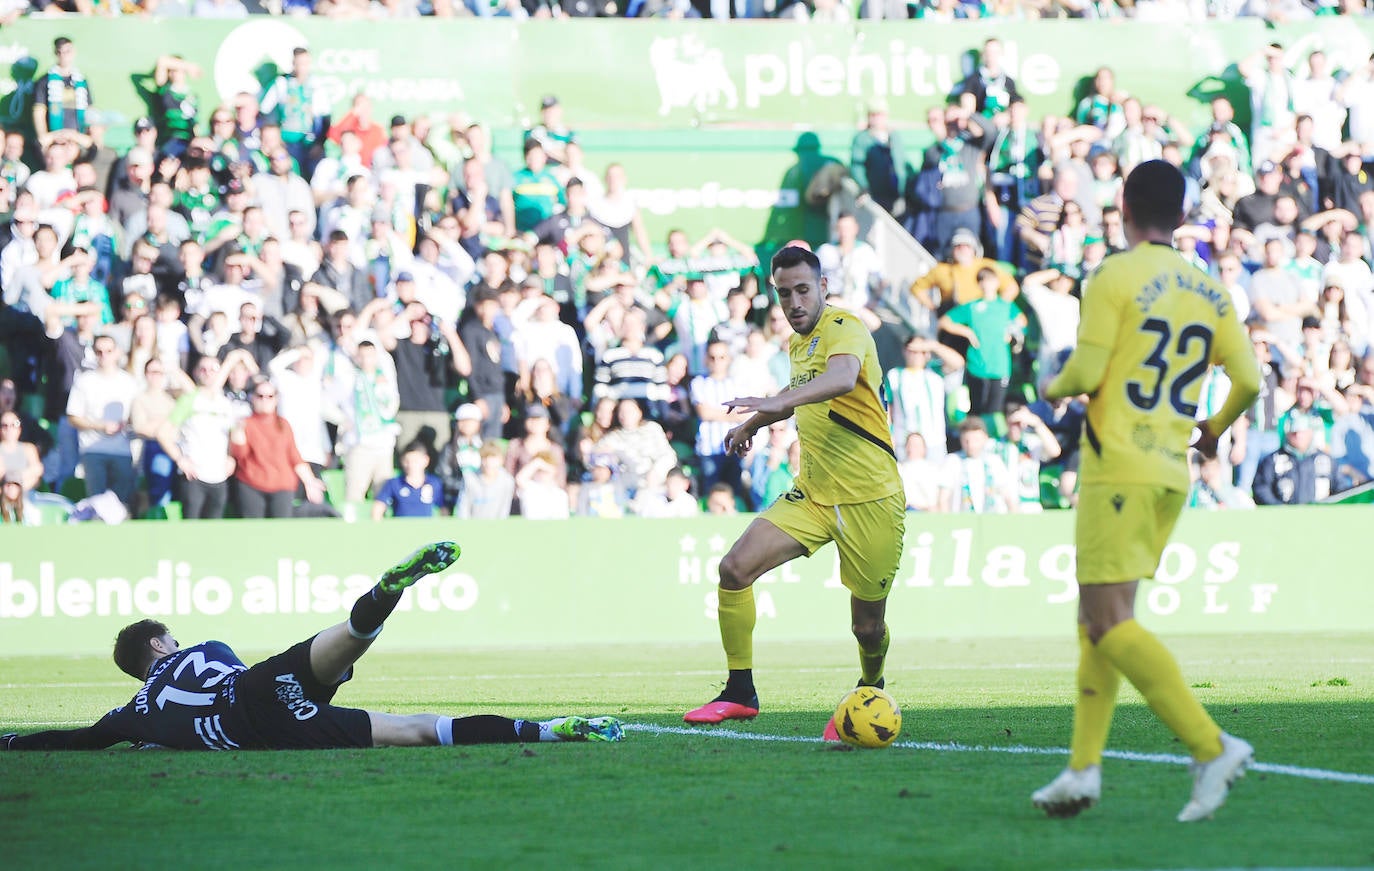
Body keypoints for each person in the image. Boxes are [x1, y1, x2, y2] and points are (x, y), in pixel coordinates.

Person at [1031, 160, 1261, 823]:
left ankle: (1210, 744)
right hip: (1170, 472)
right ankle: (1082, 768)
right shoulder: (1211, 290)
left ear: (1125, 207)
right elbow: (1247, 379)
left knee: (1107, 620)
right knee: (1096, 621)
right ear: (1183, 213)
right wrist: (1213, 430)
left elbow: (1088, 368)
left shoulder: (1114, 274)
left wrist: (1049, 387)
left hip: (1118, 466)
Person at [0, 543, 622, 751]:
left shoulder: (134, 713)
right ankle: (383, 595)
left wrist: (9, 741)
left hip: (251, 723)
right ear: (164, 642)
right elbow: (234, 676)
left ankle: (547, 732)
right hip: (257, 684)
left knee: (415, 730)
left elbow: (79, 740)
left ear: (137, 668)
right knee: (347, 640)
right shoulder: (208, 646)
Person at [683, 246, 905, 740]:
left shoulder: (845, 327)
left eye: (803, 290)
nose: (794, 302)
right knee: (734, 569)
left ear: (824, 287)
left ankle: (871, 687)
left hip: (870, 500)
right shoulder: (796, 345)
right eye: (784, 293)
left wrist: (774, 400)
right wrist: (756, 424)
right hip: (814, 494)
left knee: (867, 629)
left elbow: (842, 378)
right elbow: (799, 399)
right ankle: (740, 692)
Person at [228, 377, 326, 519]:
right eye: (260, 396)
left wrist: (310, 481)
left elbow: (294, 457)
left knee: (281, 531)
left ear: (276, 399)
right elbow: (240, 456)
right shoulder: (245, 424)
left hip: (282, 487)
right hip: (251, 485)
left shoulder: (283, 424)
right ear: (253, 398)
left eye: (270, 396)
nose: (265, 400)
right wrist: (238, 434)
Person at [373, 440, 444, 520]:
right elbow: (378, 507)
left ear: (426, 460)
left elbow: (444, 510)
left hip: (426, 531)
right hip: (401, 530)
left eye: (415, 461)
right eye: (407, 461)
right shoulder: (394, 483)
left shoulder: (434, 483)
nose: (411, 465)